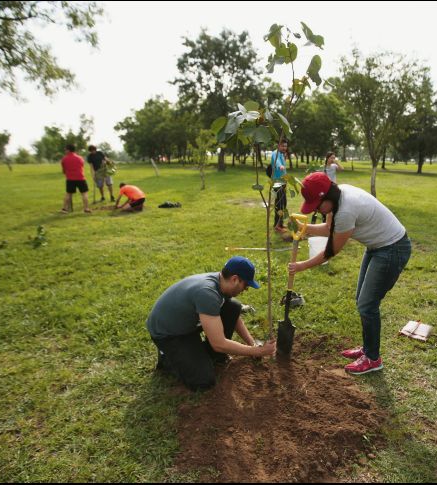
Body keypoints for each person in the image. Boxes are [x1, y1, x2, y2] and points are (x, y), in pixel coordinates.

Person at [288, 172, 411, 375]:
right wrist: (304, 228)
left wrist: (303, 265)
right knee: (362, 300)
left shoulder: (345, 210)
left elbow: (331, 251)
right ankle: (367, 349)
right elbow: (330, 228)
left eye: (317, 205)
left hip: (392, 249)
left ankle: (373, 359)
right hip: (378, 247)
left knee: (367, 305)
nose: (316, 210)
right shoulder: (338, 197)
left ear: (327, 196)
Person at [146, 257, 277, 391]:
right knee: (203, 380)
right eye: (246, 285)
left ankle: (206, 354)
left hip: (186, 320)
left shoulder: (221, 282)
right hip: (169, 333)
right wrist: (257, 351)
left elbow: (234, 318)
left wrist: (252, 343)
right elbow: (218, 344)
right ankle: (167, 357)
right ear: (235, 279)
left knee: (233, 307)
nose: (246, 289)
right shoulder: (207, 293)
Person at [60, 144, 91, 214]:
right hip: (80, 178)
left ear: (68, 150)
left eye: (65, 149)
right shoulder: (80, 158)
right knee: (84, 193)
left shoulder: (64, 159)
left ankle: (64, 209)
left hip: (70, 179)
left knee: (68, 194)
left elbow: (63, 171)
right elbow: (82, 167)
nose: (65, 151)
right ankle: (86, 208)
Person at [270, 139, 289, 232]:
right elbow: (277, 161)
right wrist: (280, 166)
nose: (284, 148)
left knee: (283, 203)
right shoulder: (275, 153)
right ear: (278, 146)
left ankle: (280, 224)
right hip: (277, 183)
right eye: (283, 146)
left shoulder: (282, 154)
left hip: (283, 182)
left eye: (285, 146)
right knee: (279, 204)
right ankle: (277, 226)